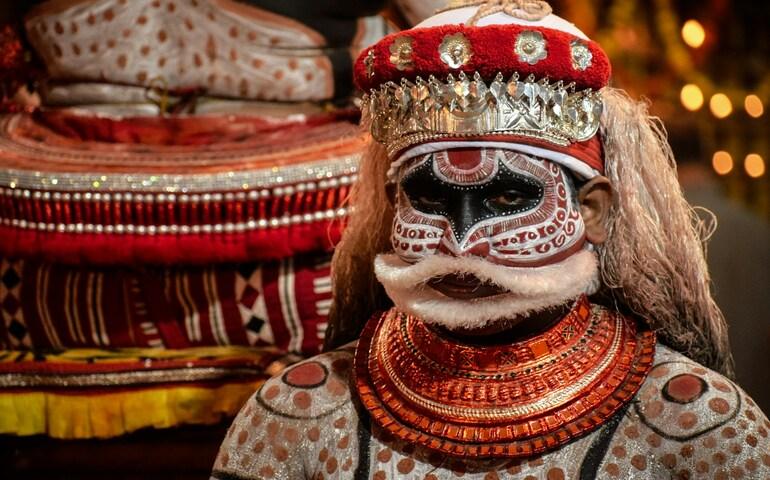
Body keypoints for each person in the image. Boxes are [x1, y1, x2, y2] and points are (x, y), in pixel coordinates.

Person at [211, 1, 770, 478]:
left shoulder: (695, 428)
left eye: (507, 199)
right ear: (393, 203)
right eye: (429, 200)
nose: (462, 240)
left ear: (593, 211)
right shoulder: (298, 417)